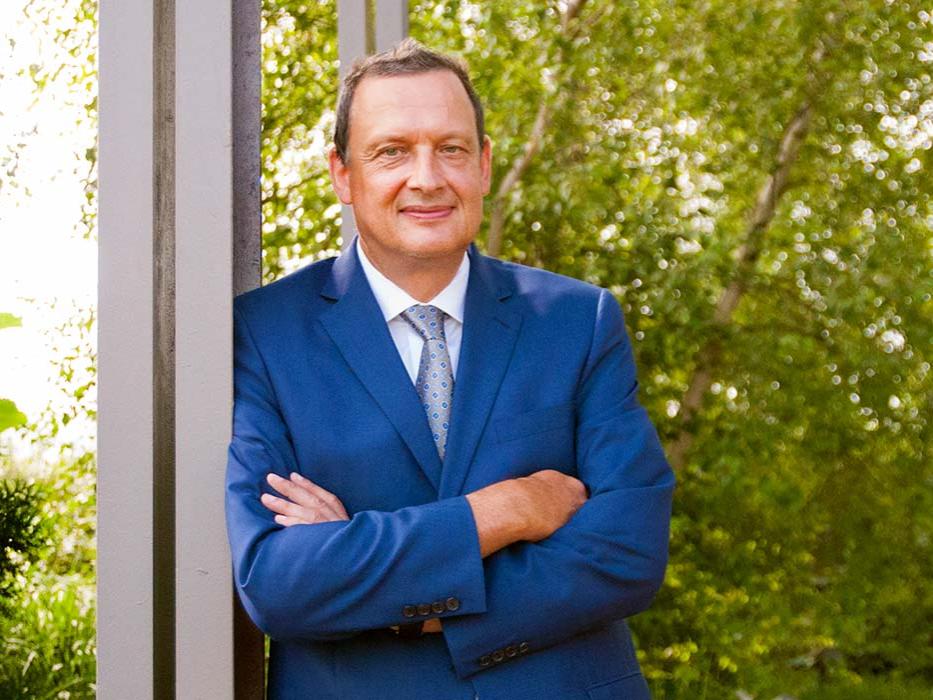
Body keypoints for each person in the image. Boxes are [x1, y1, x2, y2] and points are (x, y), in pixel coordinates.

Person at [226, 39, 674, 700]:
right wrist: (507, 509)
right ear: (342, 174)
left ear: (484, 165)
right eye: (391, 151)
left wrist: (390, 594)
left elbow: (627, 551)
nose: (427, 177)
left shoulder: (577, 321)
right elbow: (278, 581)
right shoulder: (264, 333)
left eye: (451, 149)